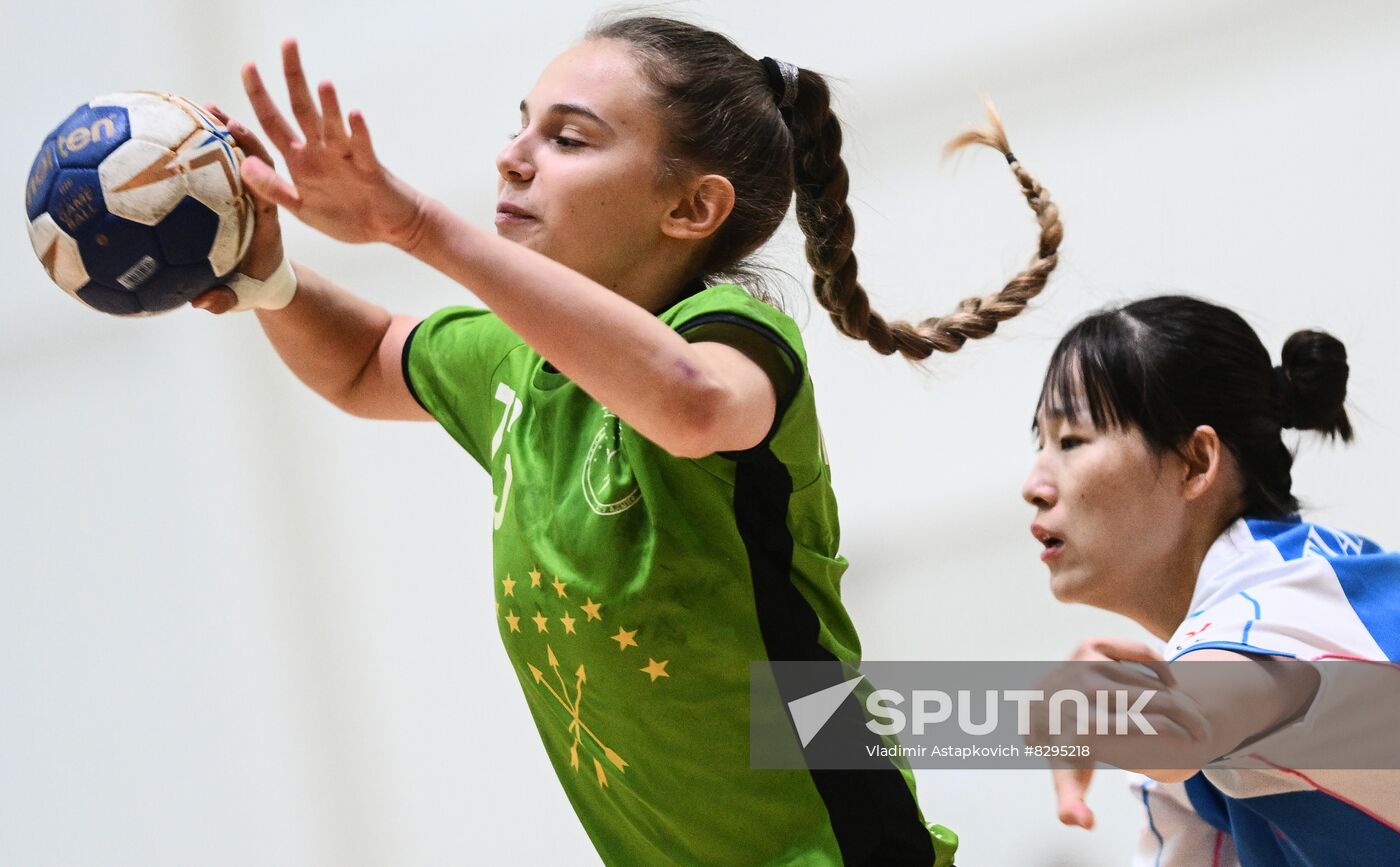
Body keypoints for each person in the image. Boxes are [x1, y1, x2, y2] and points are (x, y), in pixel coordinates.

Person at [200, 15, 1062, 865]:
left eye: (570, 139)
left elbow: (689, 405)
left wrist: (417, 226)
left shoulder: (728, 333)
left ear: (692, 207)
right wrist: (260, 272)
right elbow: (361, 359)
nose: (513, 155)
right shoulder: (512, 356)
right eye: (520, 124)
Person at [1020, 295, 1400, 865]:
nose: (1034, 484)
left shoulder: (1285, 599)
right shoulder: (1278, 606)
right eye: (1040, 444)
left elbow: (1185, 725)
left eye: (1071, 441)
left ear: (1197, 463)